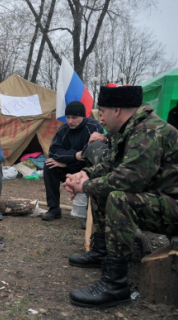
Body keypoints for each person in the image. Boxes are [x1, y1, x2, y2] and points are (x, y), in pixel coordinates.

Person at [63, 84, 178, 308]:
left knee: (119, 197)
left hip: (173, 204)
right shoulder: (130, 129)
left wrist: (85, 186)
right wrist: (83, 175)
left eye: (102, 112)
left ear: (117, 110)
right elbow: (110, 166)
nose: (100, 119)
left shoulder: (149, 131)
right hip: (162, 199)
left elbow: (130, 179)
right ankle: (102, 251)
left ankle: (115, 284)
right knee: (101, 187)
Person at [41, 101, 103, 221]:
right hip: (70, 167)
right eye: (68, 117)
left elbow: (91, 155)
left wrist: (66, 161)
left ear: (83, 116)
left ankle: (90, 214)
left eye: (74, 118)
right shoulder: (63, 130)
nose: (70, 121)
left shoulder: (94, 127)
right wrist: (74, 156)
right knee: (49, 166)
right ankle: (54, 208)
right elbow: (53, 152)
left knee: (97, 170)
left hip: (87, 169)